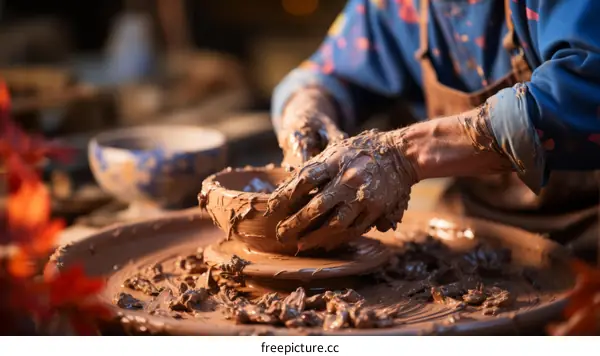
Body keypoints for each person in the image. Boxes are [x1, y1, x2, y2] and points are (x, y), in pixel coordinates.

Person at [267, 0, 600, 258]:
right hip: (482, 220)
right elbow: (330, 71)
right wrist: (306, 109)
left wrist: (403, 154)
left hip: (589, 226)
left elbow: (584, 90)